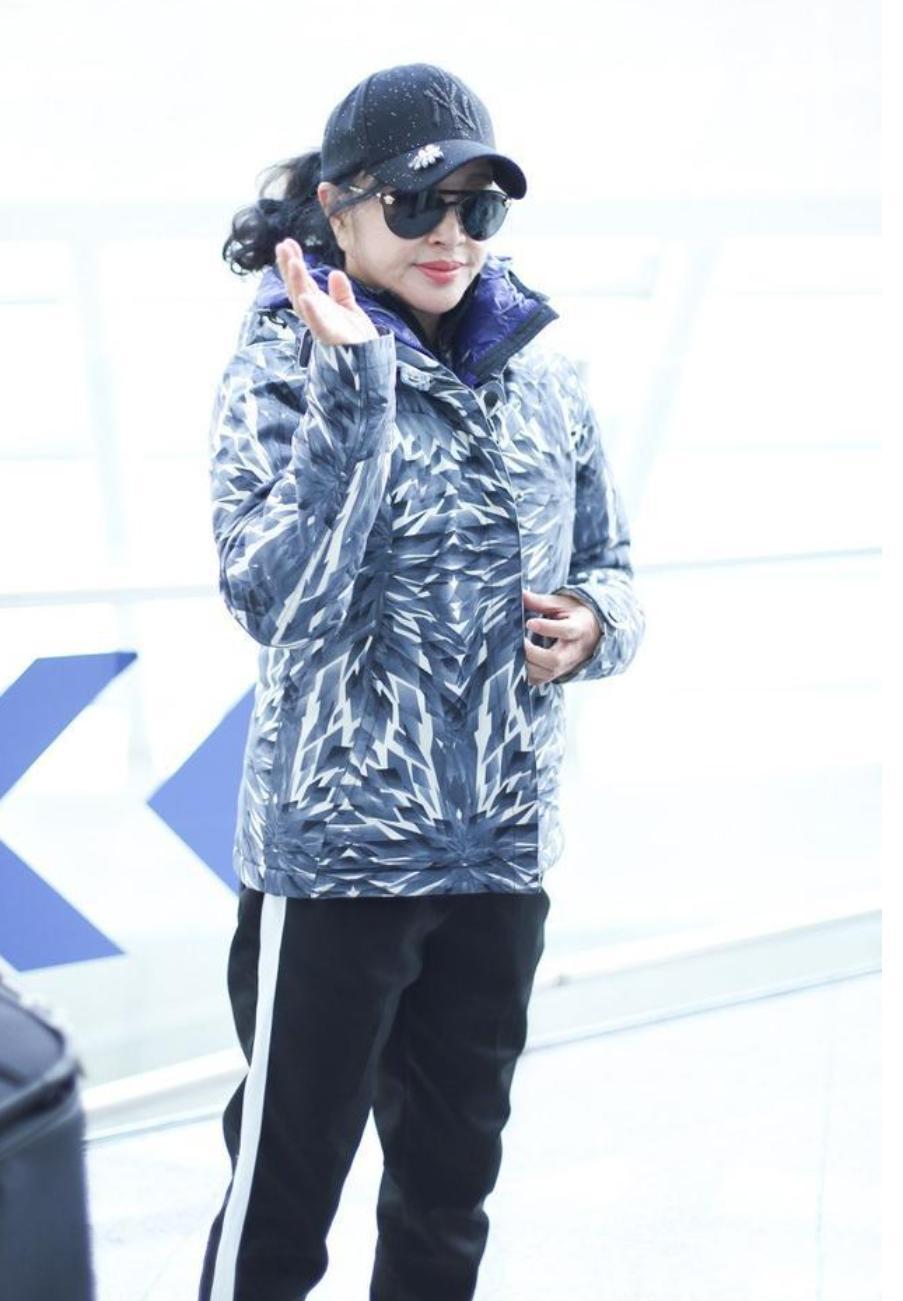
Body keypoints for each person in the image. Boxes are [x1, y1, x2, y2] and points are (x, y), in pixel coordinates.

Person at [198, 61, 645, 1301]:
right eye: (413, 204)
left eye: (475, 207)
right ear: (338, 211)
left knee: (447, 1206)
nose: (448, 233)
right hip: (339, 860)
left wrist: (598, 623)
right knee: (282, 1206)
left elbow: (612, 562)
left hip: (500, 848)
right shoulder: (283, 365)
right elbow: (273, 598)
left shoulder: (543, 367)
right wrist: (355, 387)